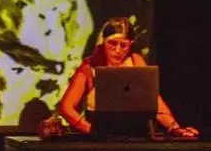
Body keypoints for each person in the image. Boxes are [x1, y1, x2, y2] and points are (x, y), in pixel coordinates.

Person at [58, 17, 198, 137]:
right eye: (112, 44)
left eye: (123, 45)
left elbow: (153, 101)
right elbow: (66, 107)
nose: (117, 50)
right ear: (103, 42)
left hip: (135, 136)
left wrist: (175, 128)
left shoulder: (136, 61)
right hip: (101, 138)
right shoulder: (90, 67)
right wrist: (89, 129)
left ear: (130, 45)